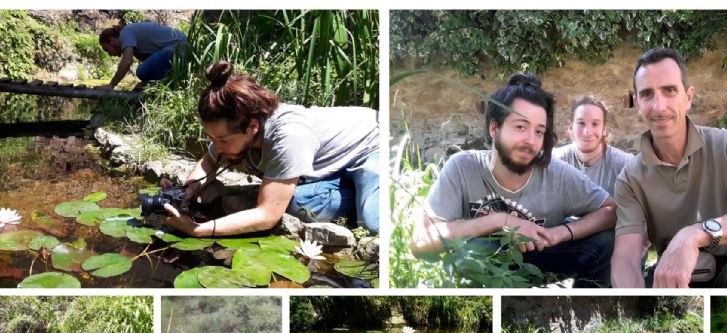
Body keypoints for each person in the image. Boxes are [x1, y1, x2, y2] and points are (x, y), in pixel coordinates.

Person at [611, 48, 727, 288]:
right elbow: (626, 257)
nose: (659, 106)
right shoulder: (630, 178)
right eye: (648, 94)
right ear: (637, 104)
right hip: (675, 282)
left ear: (688, 97)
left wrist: (693, 235)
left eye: (670, 90)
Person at [411, 74, 616, 287]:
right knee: (475, 249)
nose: (530, 140)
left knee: (606, 241)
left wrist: (561, 233)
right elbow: (421, 241)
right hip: (489, 267)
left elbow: (611, 210)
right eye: (520, 127)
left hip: (545, 259)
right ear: (494, 128)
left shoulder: (557, 174)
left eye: (539, 131)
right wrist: (501, 221)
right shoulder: (463, 167)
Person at [161, 60, 380, 236]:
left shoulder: (288, 135)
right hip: (334, 160)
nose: (216, 147)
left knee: (372, 221)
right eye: (211, 138)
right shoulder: (236, 129)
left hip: (373, 146)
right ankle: (348, 190)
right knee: (295, 200)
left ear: (252, 127)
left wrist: (199, 230)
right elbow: (207, 162)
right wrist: (187, 191)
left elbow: (267, 215)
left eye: (222, 140)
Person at [552, 96, 632, 195]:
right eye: (581, 123)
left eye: (595, 124)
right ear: (571, 126)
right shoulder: (555, 161)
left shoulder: (626, 166)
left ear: (604, 129)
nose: (587, 132)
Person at [97, 22, 188, 91]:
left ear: (111, 40)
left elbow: (127, 61)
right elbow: (154, 66)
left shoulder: (125, 33)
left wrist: (111, 85)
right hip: (179, 50)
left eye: (107, 49)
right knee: (145, 73)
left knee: (142, 71)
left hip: (179, 48)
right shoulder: (134, 44)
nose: (109, 54)